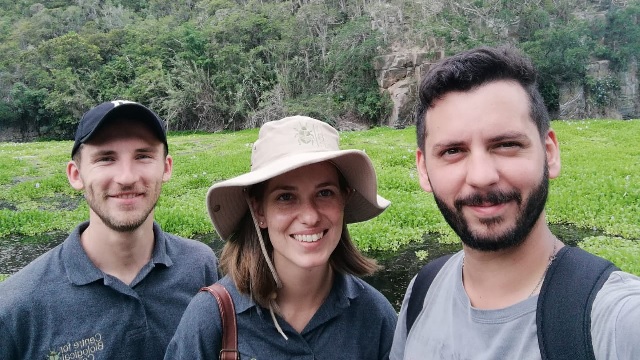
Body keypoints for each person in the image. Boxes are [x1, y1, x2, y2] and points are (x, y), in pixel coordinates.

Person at [389, 45, 640, 359]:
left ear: (549, 153)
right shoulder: (421, 293)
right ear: (424, 169)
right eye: (453, 151)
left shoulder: (620, 322)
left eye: (506, 144)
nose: (481, 176)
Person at [0, 100, 219, 360]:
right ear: (76, 175)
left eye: (143, 156)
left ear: (166, 168)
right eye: (106, 158)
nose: (126, 177)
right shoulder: (16, 306)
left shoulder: (202, 266)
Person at [165, 116, 398, 359]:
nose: (309, 216)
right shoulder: (213, 316)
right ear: (259, 210)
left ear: (344, 199)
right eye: (286, 197)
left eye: (325, 193)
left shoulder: (375, 316)